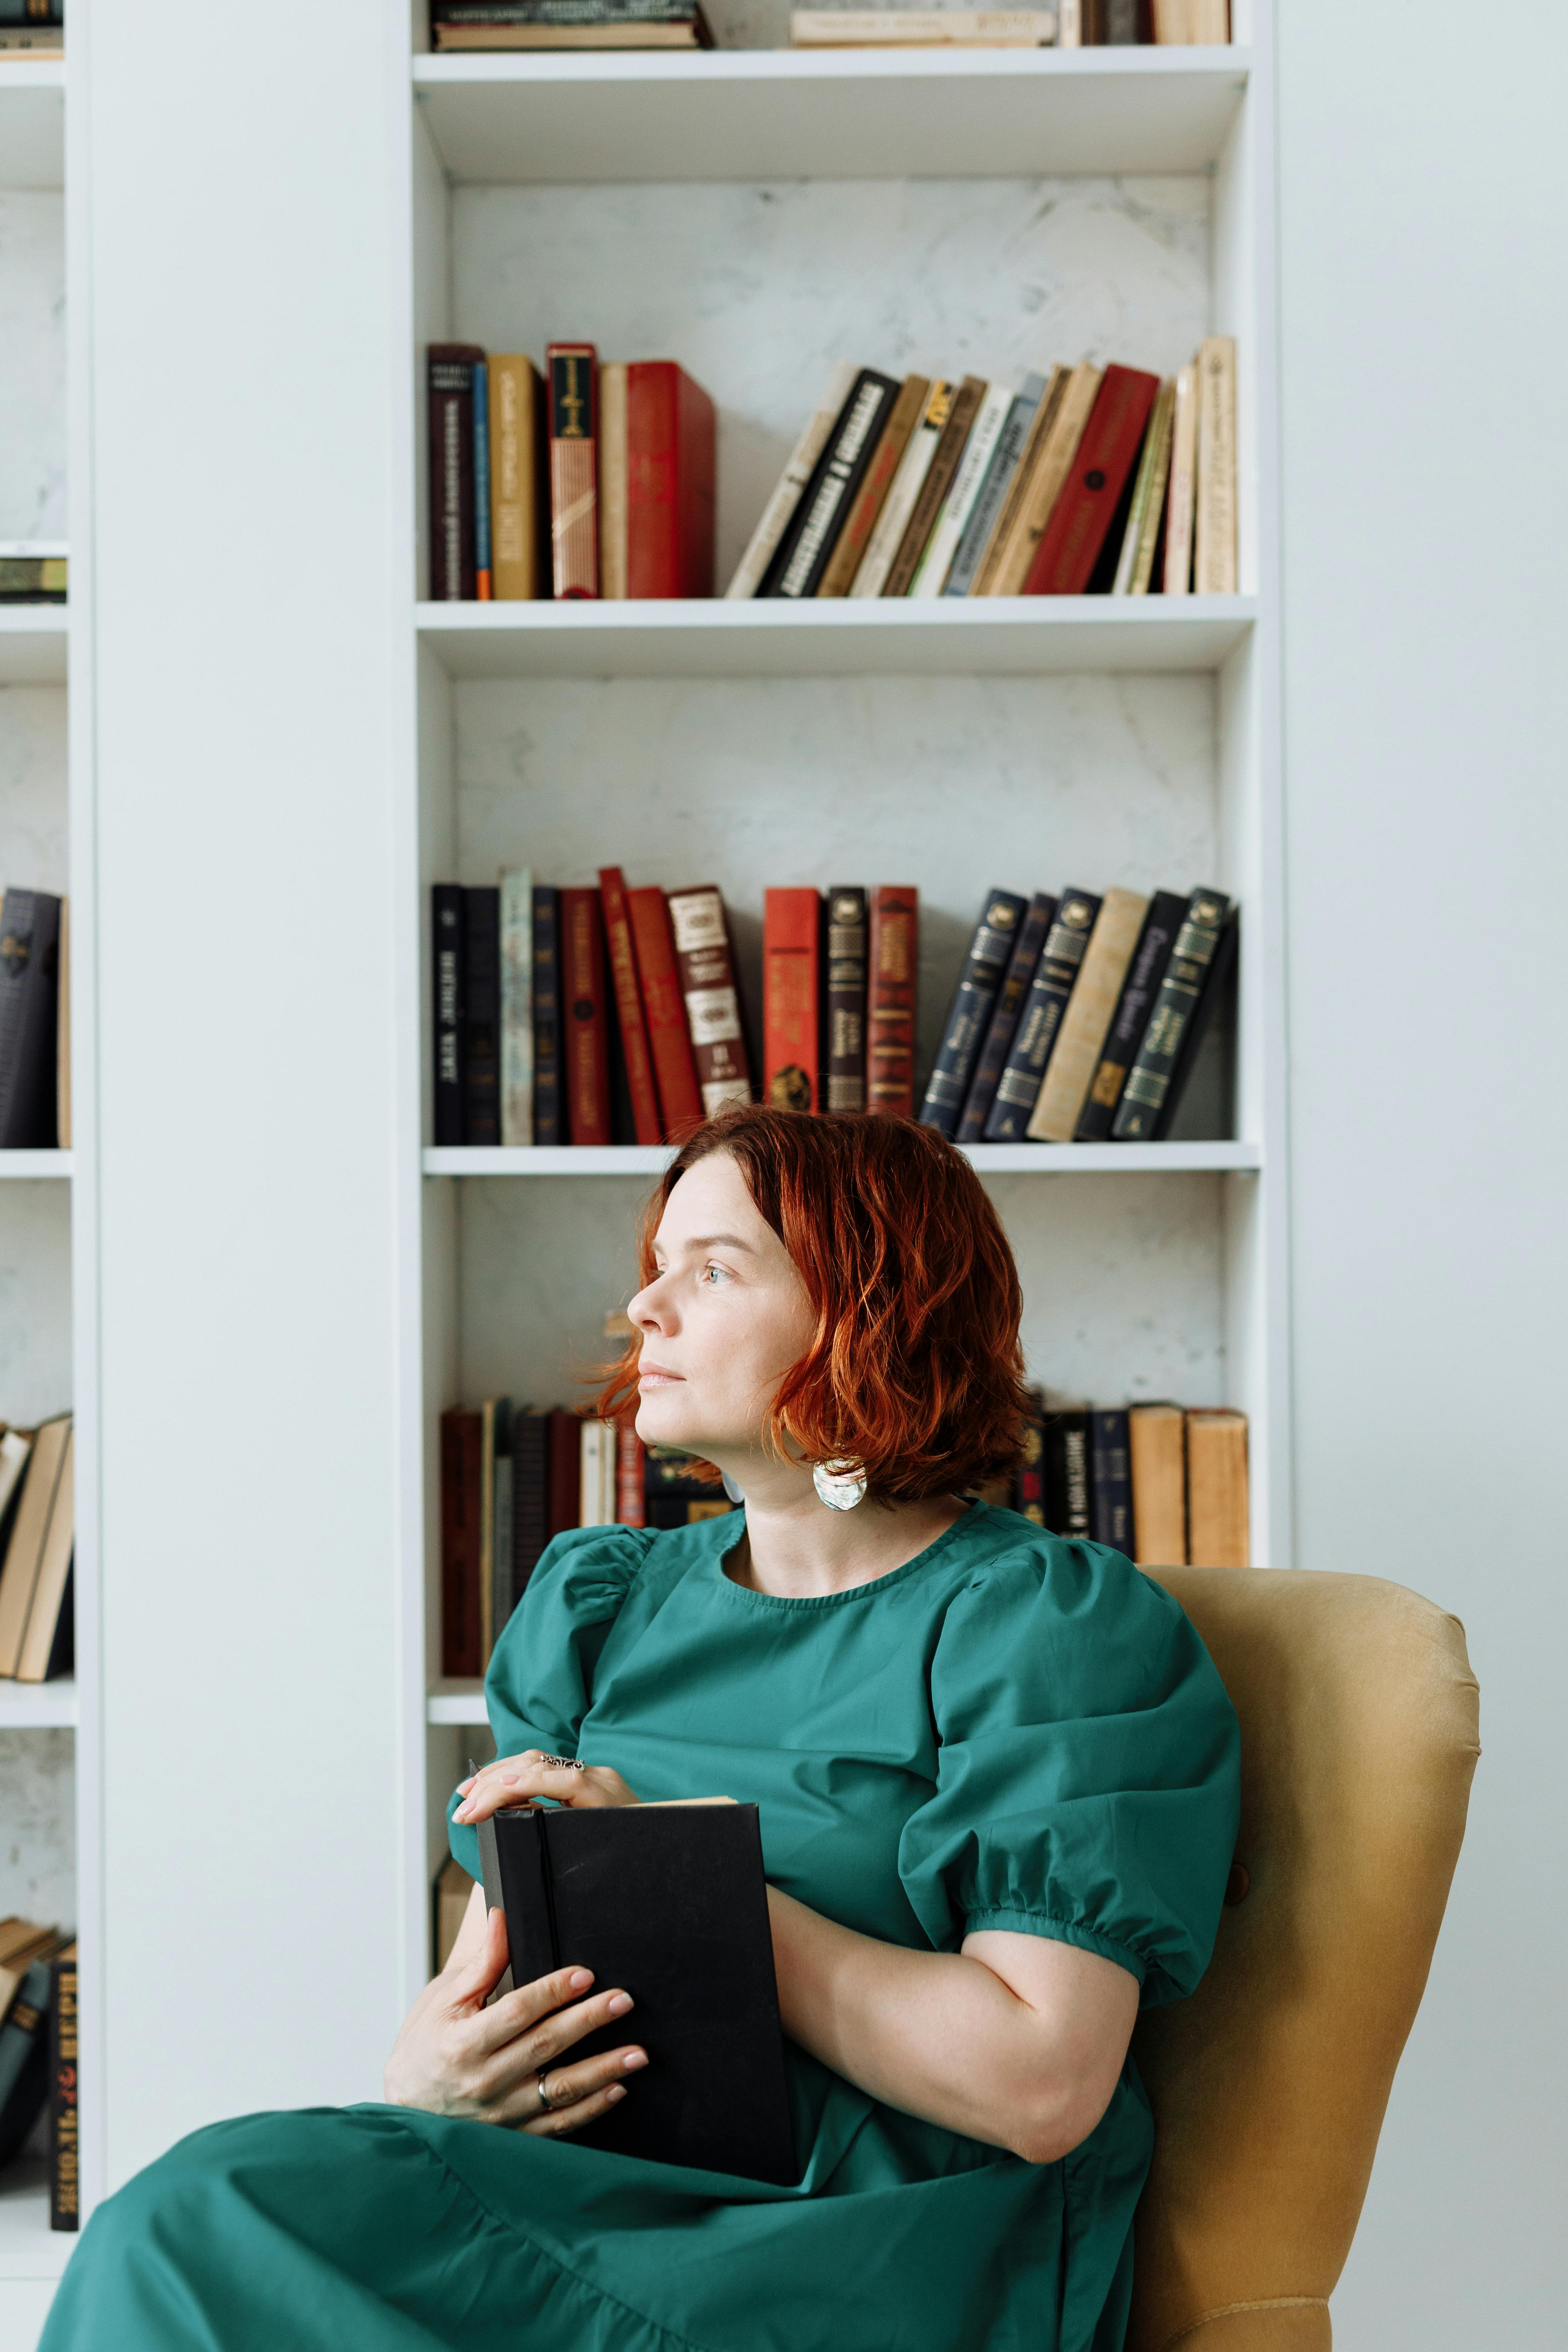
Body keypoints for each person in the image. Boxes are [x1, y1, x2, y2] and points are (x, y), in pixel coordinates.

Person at [42, 1107, 1240, 2352]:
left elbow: (1042, 2083)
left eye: (713, 1268)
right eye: (657, 1264)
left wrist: (691, 1876)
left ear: (869, 1309)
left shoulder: (1049, 1626)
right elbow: (479, 1987)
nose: (645, 1308)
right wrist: (430, 2080)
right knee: (190, 2220)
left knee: (196, 2227)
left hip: (859, 2238)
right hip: (585, 2182)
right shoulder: (600, 1603)